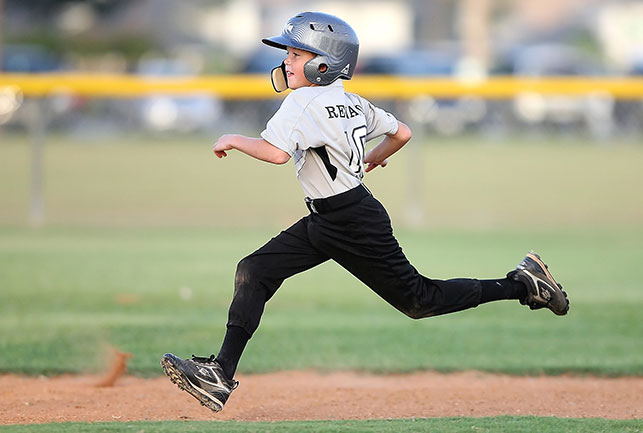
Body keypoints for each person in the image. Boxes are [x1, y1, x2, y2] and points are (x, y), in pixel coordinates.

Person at [161, 11, 569, 413]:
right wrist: (373, 157)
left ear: (325, 63)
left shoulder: (302, 102)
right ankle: (219, 373)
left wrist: (233, 138)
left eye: (296, 53)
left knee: (419, 300)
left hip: (351, 223)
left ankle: (522, 284)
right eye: (288, 52)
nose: (287, 59)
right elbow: (402, 132)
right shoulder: (351, 101)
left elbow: (277, 154)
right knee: (255, 270)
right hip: (335, 216)